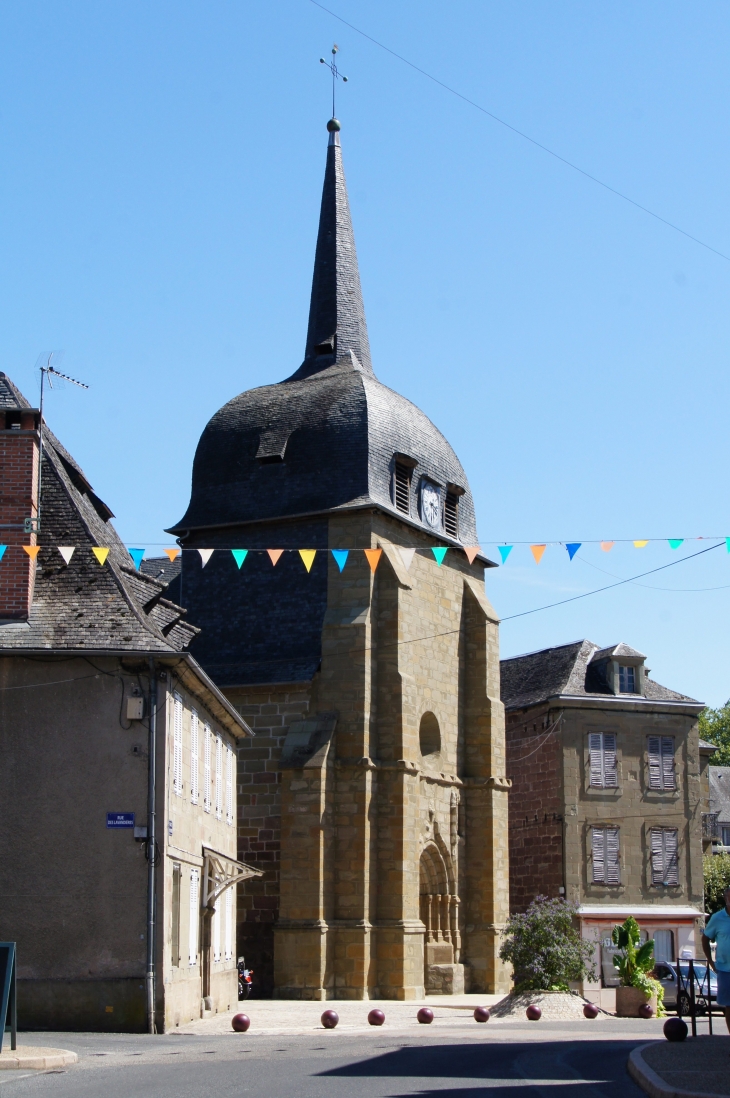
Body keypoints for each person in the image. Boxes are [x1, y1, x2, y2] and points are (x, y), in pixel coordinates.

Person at [702, 885, 730, 1033]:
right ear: (726, 899)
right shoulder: (717, 918)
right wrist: (711, 963)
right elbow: (705, 938)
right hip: (725, 969)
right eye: (729, 897)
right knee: (729, 1006)